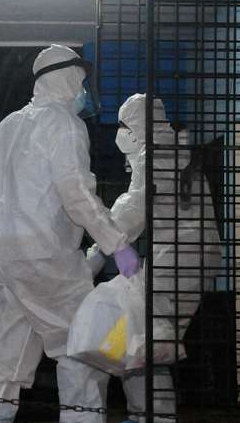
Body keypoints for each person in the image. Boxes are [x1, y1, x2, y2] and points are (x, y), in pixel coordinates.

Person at [0, 45, 140, 423]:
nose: (84, 91)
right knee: (80, 353)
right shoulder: (64, 123)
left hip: (3, 260)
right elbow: (76, 194)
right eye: (81, 82)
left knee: (7, 357)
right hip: (48, 260)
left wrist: (15, 189)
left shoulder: (10, 123)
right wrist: (117, 244)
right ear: (69, 78)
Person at [84, 94, 221, 423]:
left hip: (178, 258)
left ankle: (153, 416)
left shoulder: (155, 154)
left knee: (140, 341)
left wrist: (93, 257)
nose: (119, 134)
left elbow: (133, 209)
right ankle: (144, 414)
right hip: (189, 257)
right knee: (141, 341)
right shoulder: (172, 149)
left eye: (122, 125)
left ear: (135, 127)